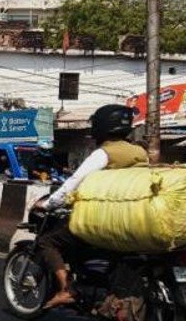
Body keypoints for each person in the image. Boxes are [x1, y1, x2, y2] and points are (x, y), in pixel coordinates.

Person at [35, 104, 149, 310]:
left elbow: (75, 181)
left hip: (104, 217)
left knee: (47, 241)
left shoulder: (104, 153)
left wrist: (49, 203)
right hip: (133, 217)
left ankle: (67, 290)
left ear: (101, 127)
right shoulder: (141, 152)